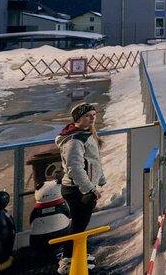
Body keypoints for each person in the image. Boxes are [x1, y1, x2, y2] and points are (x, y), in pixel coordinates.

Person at [54, 102, 106, 274]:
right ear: (78, 119)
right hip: (78, 189)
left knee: (79, 225)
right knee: (78, 226)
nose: (92, 118)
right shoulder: (75, 140)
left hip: (84, 187)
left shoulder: (86, 134)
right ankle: (67, 261)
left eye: (93, 114)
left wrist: (101, 179)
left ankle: (77, 253)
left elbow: (94, 160)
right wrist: (90, 189)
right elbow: (75, 168)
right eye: (87, 116)